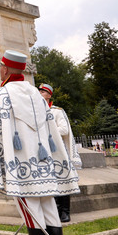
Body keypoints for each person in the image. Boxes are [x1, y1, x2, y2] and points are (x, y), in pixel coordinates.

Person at [0, 50, 79, 235]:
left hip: (20, 169)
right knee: (50, 212)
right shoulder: (37, 95)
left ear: (4, 69)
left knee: (32, 216)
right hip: (45, 167)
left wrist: (2, 173)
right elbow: (52, 133)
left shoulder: (1, 94)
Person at [39, 83, 81, 223]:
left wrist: (49, 130)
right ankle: (54, 211)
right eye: (39, 91)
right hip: (44, 151)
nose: (40, 93)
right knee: (50, 181)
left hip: (57, 151)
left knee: (62, 179)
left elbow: (64, 129)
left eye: (43, 91)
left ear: (49, 95)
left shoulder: (57, 111)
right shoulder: (36, 111)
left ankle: (65, 211)